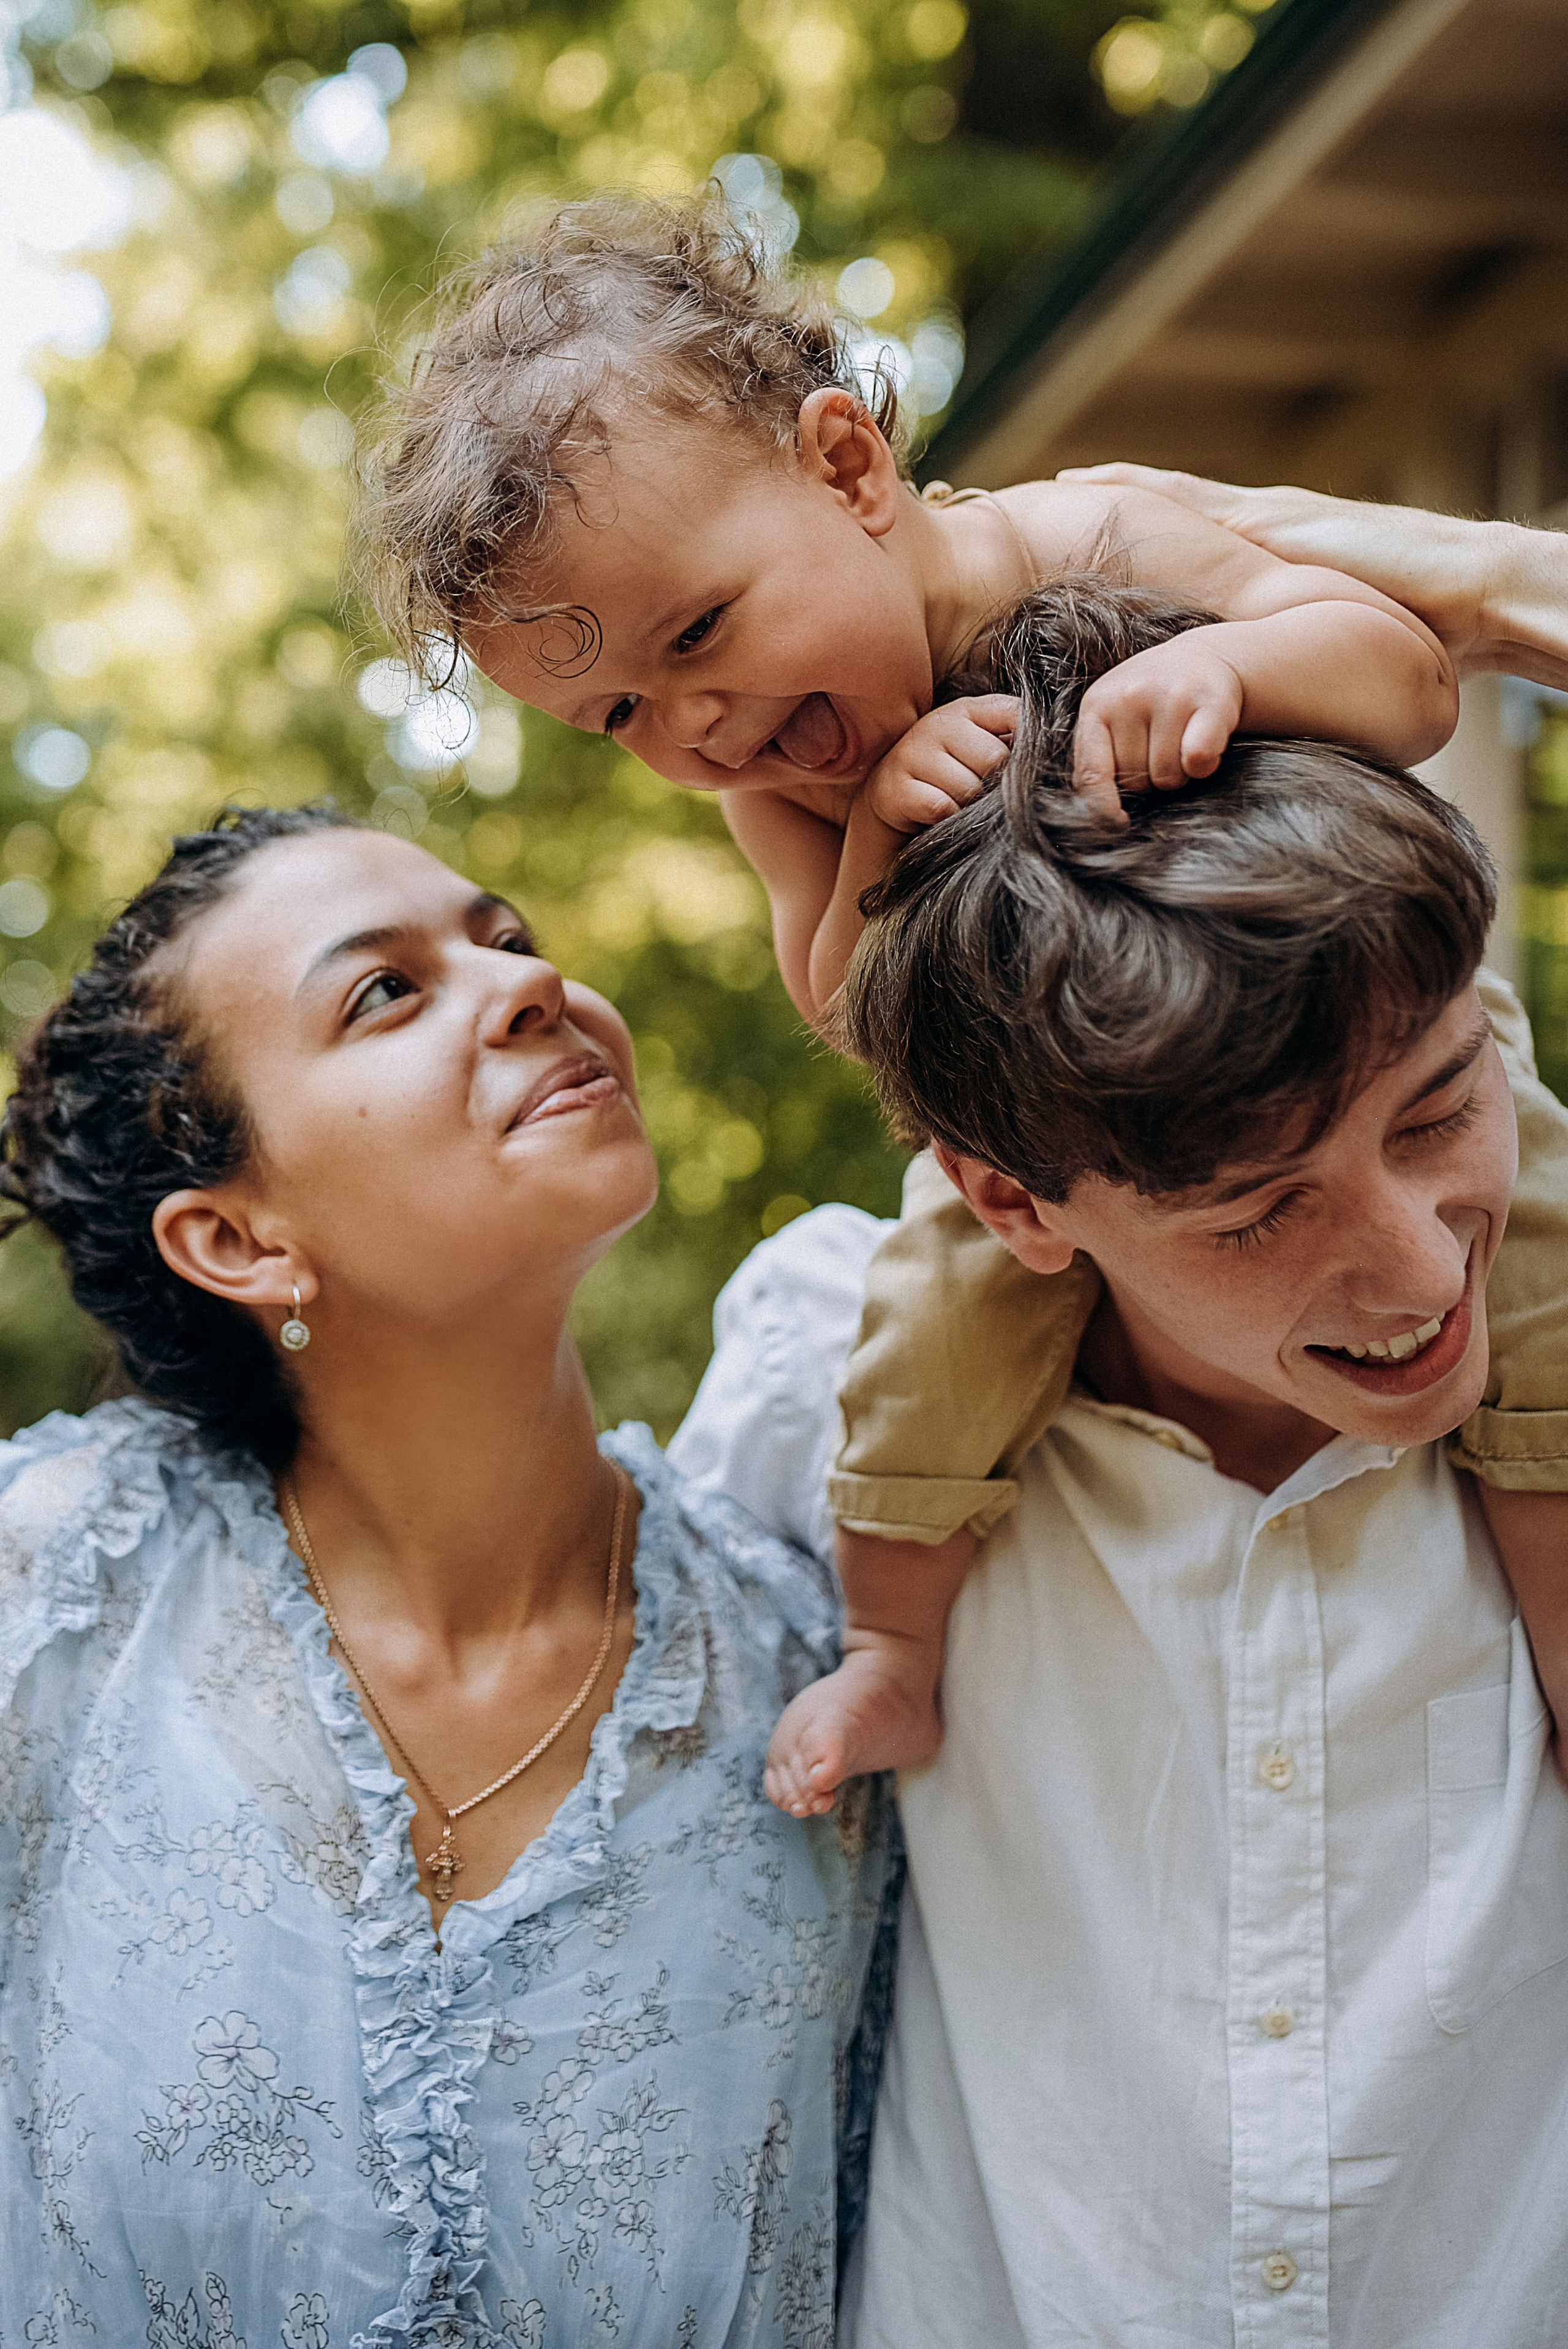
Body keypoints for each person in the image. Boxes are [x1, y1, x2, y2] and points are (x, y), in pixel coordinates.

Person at [353, 194, 1568, 1814]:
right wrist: (871, 834)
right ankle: (895, 1656)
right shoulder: (783, 780)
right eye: (620, 712)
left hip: (1356, 1035)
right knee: (921, 1351)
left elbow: (1408, 679)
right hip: (1035, 1142)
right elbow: (849, 1004)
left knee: (1549, 1316)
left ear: (849, 470)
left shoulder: (1102, 535)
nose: (698, 725)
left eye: (701, 630)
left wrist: (1238, 674)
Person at [671, 579, 1568, 2346]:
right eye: (1259, 1209)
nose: (1418, 1264)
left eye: (1442, 1107)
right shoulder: (820, 1373)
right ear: (1013, 1202)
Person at [0, 805, 892, 2343]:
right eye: (384, 992)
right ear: (235, 1235)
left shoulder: (815, 1668)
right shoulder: (55, 1595)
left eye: (505, 939)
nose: (528, 987)